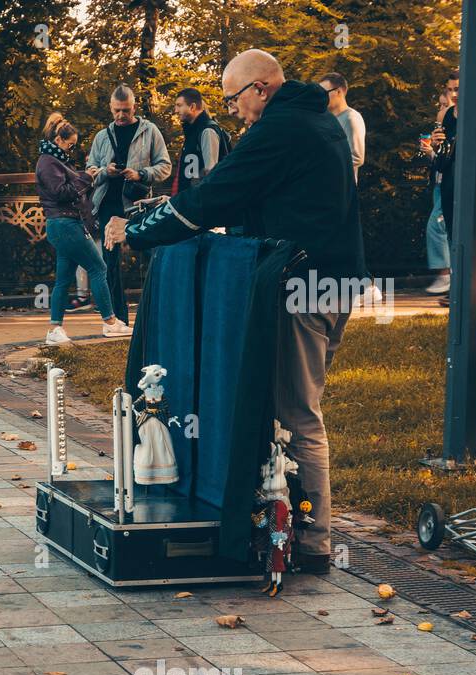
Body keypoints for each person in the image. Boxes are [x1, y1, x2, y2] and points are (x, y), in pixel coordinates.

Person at [106, 49, 364, 575]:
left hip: (303, 287)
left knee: (297, 414)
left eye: (234, 99)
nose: (233, 111)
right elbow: (258, 196)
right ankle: (277, 521)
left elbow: (216, 195)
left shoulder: (282, 127)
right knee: (287, 406)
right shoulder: (319, 121)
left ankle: (313, 545)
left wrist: (140, 233)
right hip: (333, 283)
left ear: (262, 88)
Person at [36, 112, 133, 346]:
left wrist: (84, 176)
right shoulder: (48, 162)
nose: (71, 149)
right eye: (70, 144)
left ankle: (55, 329)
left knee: (63, 278)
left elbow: (67, 184)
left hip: (63, 224)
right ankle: (110, 322)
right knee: (99, 267)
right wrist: (86, 178)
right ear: (58, 140)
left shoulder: (56, 160)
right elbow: (60, 192)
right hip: (65, 224)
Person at [81, 85, 171, 326]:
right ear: (111, 108)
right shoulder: (101, 136)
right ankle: (118, 320)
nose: (121, 115)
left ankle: (154, 316)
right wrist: (105, 171)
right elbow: (89, 172)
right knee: (110, 265)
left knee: (150, 258)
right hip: (108, 206)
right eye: (117, 111)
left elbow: (165, 166)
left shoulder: (149, 131)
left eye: (126, 111)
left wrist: (140, 174)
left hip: (137, 206)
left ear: (134, 107)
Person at [421, 72, 459, 303]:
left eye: (457, 89)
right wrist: (435, 146)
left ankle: (450, 280)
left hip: (465, 183)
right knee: (451, 234)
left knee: (441, 228)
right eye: (450, 89)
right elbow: (443, 155)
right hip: (445, 179)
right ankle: (452, 288)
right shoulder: (445, 115)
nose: (453, 94)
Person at [418, 89, 453, 295]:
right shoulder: (440, 131)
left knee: (435, 226)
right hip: (439, 185)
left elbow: (450, 161)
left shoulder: (454, 127)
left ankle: (444, 275)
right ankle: (449, 277)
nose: (439, 109)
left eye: (443, 105)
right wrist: (432, 150)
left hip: (448, 185)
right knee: (443, 228)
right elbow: (440, 162)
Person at [171, 89, 230, 193]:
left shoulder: (207, 131)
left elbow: (211, 173)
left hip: (199, 202)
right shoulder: (192, 130)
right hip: (188, 200)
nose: (175, 110)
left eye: (179, 105)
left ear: (192, 107)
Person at [320, 73, 365, 181]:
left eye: (324, 93)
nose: (321, 97)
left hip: (341, 188)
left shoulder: (351, 118)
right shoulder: (326, 118)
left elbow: (357, 157)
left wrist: (320, 164)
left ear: (339, 92)